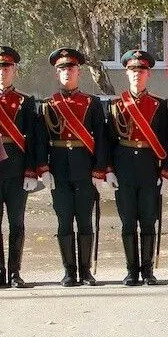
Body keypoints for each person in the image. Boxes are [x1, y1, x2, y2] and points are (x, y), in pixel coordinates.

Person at [37, 48, 109, 287]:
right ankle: (69, 271)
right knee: (64, 221)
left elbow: (101, 138)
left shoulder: (93, 103)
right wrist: (43, 169)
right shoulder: (49, 105)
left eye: (70, 68)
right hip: (59, 170)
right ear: (57, 74)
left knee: (85, 221)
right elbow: (40, 140)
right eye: (62, 69)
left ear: (79, 72)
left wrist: (100, 170)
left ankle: (86, 271)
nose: (67, 73)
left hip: (85, 169)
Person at [107, 50, 168, 286]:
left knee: (148, 220)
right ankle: (131, 270)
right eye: (133, 70)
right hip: (124, 166)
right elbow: (109, 140)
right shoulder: (116, 105)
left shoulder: (159, 105)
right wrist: (108, 170)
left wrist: (166, 172)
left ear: (148, 74)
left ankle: (147, 270)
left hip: (148, 167)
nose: (137, 74)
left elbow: (165, 140)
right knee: (127, 222)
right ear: (126, 73)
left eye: (142, 71)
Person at [0, 46, 39, 288]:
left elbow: (33, 140)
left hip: (17, 169)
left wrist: (31, 171)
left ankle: (15, 272)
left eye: (6, 67)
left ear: (14, 70)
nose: (2, 72)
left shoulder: (25, 102)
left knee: (17, 222)